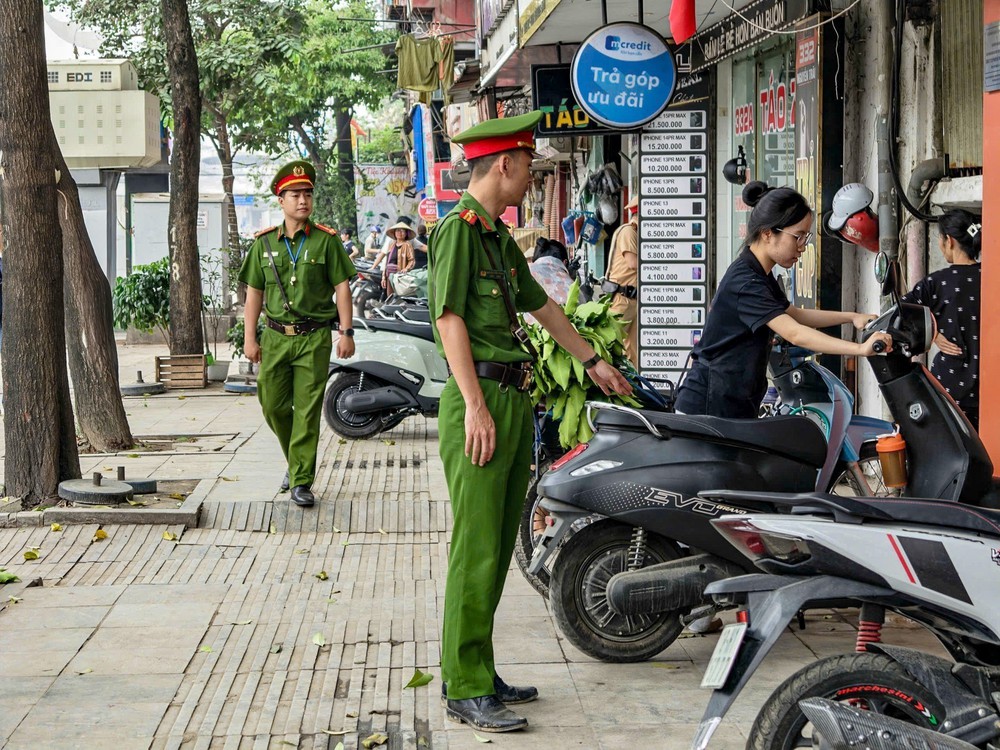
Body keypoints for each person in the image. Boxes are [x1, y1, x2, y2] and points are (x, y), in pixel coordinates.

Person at [429, 110, 632, 733]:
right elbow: (449, 320)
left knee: (494, 548)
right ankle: (463, 685)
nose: (530, 179)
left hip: (512, 399)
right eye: (527, 167)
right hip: (482, 401)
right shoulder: (458, 232)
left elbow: (541, 305)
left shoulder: (493, 235)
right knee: (478, 547)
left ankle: (479, 671)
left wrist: (593, 360)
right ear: (503, 165)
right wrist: (477, 405)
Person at [675, 181, 892, 419]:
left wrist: (853, 317)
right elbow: (795, 332)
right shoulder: (747, 282)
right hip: (708, 409)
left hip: (729, 403)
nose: (802, 247)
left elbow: (794, 314)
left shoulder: (759, 272)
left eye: (805, 238)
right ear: (768, 233)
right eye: (797, 237)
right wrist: (860, 349)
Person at [238, 160, 357, 508]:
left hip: (313, 338)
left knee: (306, 410)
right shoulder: (263, 245)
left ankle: (301, 479)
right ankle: (295, 459)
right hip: (274, 338)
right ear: (281, 199)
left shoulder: (326, 242)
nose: (303, 200)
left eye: (307, 194)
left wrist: (346, 332)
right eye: (295, 194)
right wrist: (250, 338)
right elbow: (254, 294)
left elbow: (342, 287)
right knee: (273, 405)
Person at [902, 209, 982, 430]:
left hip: (949, 387)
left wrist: (933, 334)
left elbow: (902, 312)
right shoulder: (991, 278)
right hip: (990, 386)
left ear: (949, 241)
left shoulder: (936, 283)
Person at [603, 196, 640, 363]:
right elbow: (633, 263)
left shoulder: (635, 233)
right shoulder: (628, 232)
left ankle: (634, 387)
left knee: (632, 350)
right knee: (614, 348)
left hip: (632, 301)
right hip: (622, 299)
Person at [373, 221, 416, 295]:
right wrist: (384, 277)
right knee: (390, 296)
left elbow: (412, 260)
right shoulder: (392, 244)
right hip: (389, 275)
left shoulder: (407, 245)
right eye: (398, 231)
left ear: (406, 234)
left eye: (402, 231)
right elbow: (387, 261)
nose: (400, 233)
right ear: (395, 233)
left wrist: (406, 268)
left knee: (399, 296)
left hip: (400, 276)